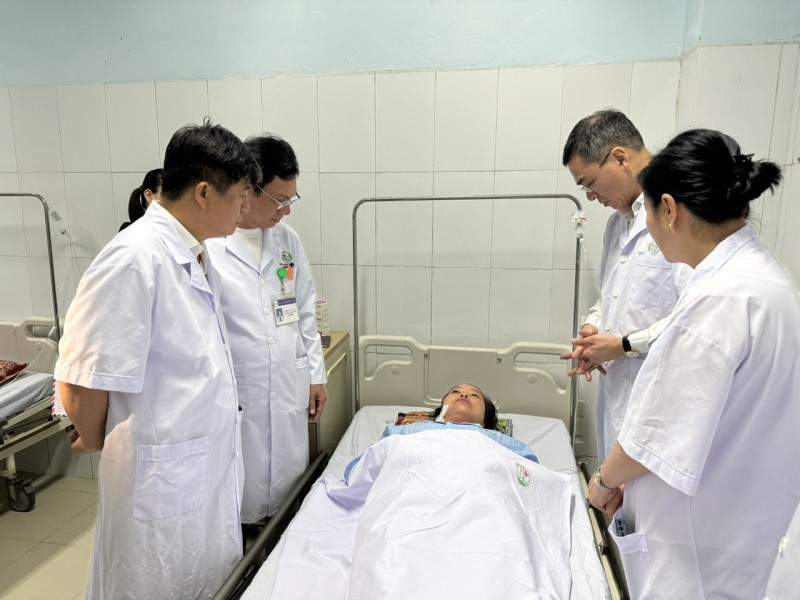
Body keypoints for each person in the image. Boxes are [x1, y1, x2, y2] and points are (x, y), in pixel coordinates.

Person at [588, 129, 800, 599]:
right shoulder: (763, 279)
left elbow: (652, 435)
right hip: (736, 531)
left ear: (669, 209)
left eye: (647, 211)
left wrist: (602, 482)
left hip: (699, 550)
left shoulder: (718, 300)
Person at [54, 120, 261, 599]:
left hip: (194, 472)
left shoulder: (194, 253)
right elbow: (82, 379)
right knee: (152, 583)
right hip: (160, 480)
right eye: (241, 196)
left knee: (201, 577)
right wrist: (93, 435)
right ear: (204, 193)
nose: (246, 208)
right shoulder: (134, 259)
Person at [206, 134, 326, 524]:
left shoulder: (288, 241)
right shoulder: (212, 246)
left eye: (291, 199)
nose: (285, 211)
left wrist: (316, 375)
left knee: (287, 492)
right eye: (278, 200)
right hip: (241, 390)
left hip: (289, 381)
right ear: (248, 190)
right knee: (242, 491)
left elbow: (304, 310)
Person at [560, 110, 690, 460]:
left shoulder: (681, 213)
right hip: (621, 393)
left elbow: (698, 315)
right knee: (617, 481)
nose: (590, 196)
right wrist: (594, 330)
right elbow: (609, 297)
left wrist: (623, 345)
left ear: (619, 158)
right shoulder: (617, 225)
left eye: (589, 182)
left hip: (664, 396)